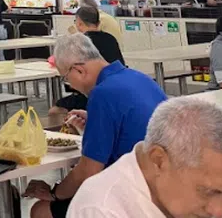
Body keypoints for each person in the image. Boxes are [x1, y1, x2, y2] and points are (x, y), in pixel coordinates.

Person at [24, 32, 167, 218]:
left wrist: (54, 193)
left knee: (40, 210)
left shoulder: (102, 94)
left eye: (66, 78)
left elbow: (88, 172)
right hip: (165, 184)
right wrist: (94, 121)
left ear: (79, 70)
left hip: (137, 195)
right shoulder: (139, 78)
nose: (70, 86)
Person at [67, 97, 222, 218]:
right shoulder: (104, 209)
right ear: (159, 160)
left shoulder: (178, 198)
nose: (219, 212)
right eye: (209, 191)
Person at [51, 4, 125, 114]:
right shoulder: (110, 38)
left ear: (79, 23)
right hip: (116, 87)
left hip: (93, 92)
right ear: (98, 23)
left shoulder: (82, 43)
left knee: (55, 111)